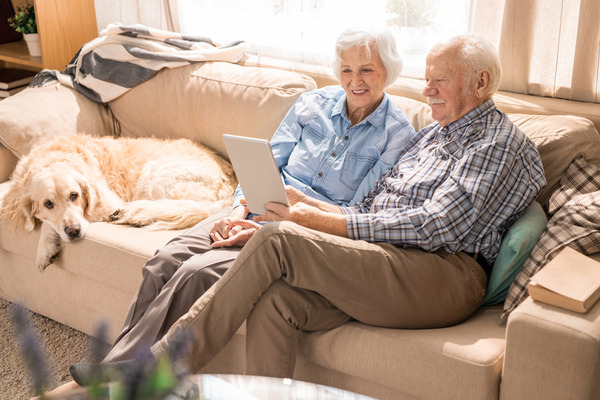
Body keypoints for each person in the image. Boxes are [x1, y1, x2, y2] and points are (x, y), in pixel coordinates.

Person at [63, 33, 546, 388]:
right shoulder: (438, 133)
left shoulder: (496, 141)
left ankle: (158, 364)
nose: (427, 91)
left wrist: (315, 220)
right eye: (428, 80)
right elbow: (380, 204)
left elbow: (439, 224)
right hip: (389, 254)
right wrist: (303, 204)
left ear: (480, 82)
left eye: (440, 81)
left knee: (278, 239)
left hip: (443, 271)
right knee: (279, 301)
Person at [39, 25, 415, 398]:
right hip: (252, 206)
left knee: (194, 272)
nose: (356, 80)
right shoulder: (312, 104)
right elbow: (265, 162)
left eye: (367, 70)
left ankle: (100, 384)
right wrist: (237, 210)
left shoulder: (396, 133)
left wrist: (272, 224)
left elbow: (354, 214)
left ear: (389, 71)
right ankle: (118, 374)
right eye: (347, 69)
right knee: (163, 260)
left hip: (300, 233)